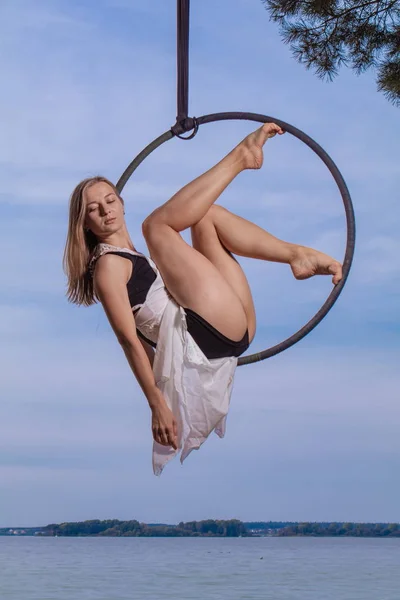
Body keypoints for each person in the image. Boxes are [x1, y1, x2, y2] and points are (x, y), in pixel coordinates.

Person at [63, 123, 342, 475]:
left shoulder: (132, 257)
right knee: (157, 227)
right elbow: (129, 341)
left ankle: (295, 256)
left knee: (204, 216)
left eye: (110, 200)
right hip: (205, 335)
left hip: (228, 328)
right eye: (93, 209)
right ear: (85, 224)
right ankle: (242, 156)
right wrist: (157, 405)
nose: (105, 211)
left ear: (121, 201)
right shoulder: (107, 266)